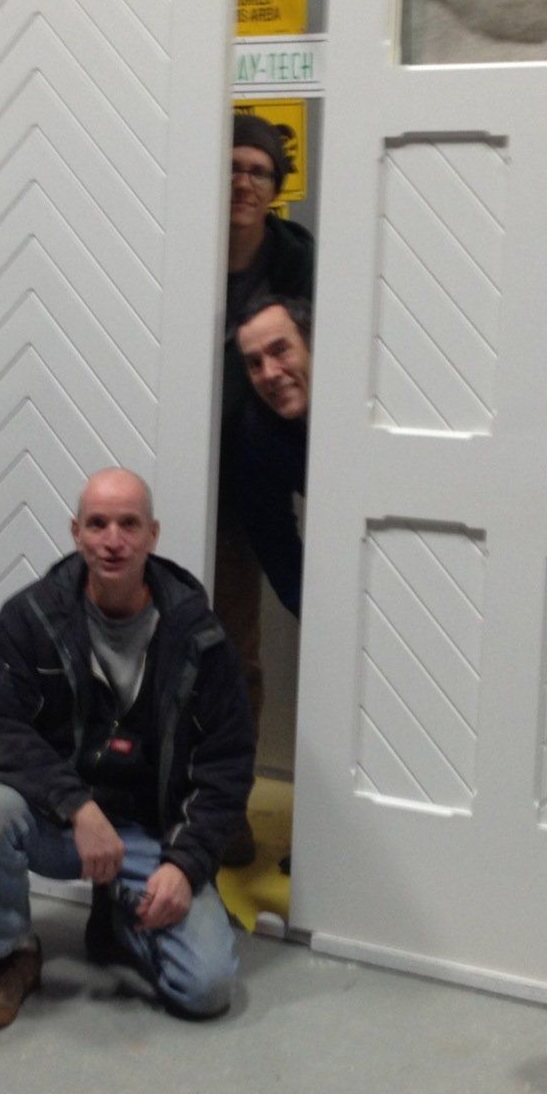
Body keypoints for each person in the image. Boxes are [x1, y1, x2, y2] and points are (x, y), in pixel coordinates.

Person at [0, 468, 254, 1028]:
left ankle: (120, 919)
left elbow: (226, 763)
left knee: (206, 989)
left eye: (128, 524)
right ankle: (9, 958)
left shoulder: (199, 635)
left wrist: (186, 867)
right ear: (75, 533)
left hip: (151, 832)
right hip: (60, 821)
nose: (112, 540)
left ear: (153, 535)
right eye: (97, 524)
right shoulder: (30, 618)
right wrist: (77, 806)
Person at [212, 111, 314, 864]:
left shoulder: (299, 261)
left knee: (235, 655)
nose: (242, 180)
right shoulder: (180, 245)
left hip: (271, 466)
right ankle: (197, 805)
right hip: (193, 472)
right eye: (231, 166)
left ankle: (231, 802)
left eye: (257, 169)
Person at [230, 295, 312, 618]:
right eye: (254, 363)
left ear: (311, 344)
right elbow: (278, 551)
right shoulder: (257, 435)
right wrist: (326, 621)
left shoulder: (366, 405)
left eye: (280, 351)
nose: (270, 373)